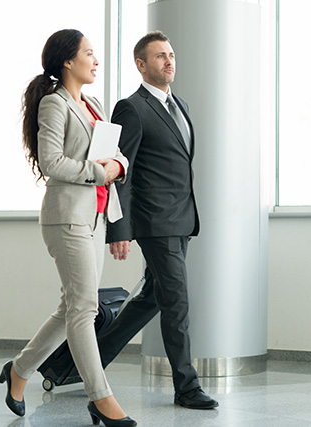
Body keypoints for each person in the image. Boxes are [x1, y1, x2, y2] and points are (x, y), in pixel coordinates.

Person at [0, 29, 137, 427]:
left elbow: (115, 153)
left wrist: (120, 166)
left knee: (72, 306)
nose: (95, 60)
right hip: (67, 217)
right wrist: (101, 171)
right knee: (84, 309)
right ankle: (101, 397)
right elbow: (52, 164)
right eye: (89, 54)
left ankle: (19, 371)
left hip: (95, 217)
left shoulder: (92, 104)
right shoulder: (53, 104)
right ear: (67, 61)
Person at [99, 30, 218, 410]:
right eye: (160, 56)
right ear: (141, 65)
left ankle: (80, 362)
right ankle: (186, 386)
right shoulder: (131, 108)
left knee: (151, 298)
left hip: (182, 219)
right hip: (155, 222)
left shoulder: (177, 104)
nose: (169, 61)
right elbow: (123, 172)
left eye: (171, 54)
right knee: (177, 302)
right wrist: (121, 229)